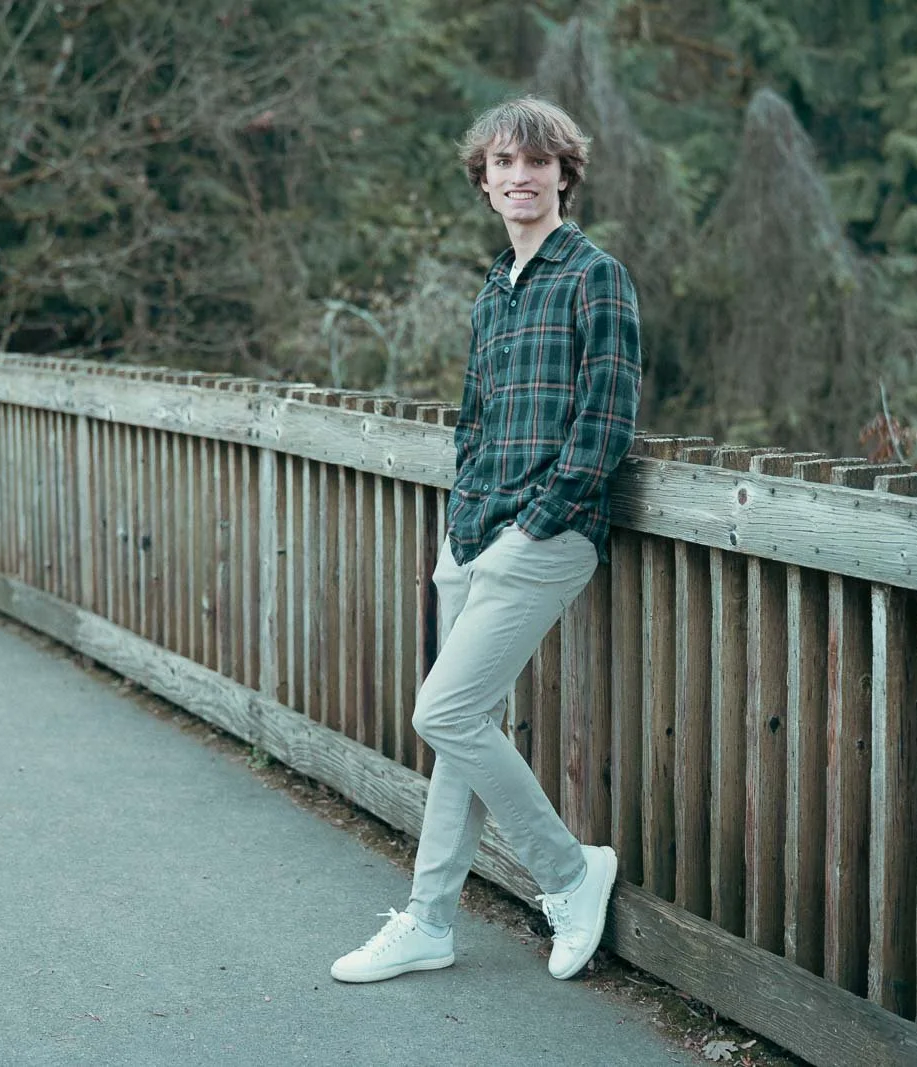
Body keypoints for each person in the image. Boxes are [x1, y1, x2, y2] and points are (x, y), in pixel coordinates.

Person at [331, 96, 642, 983]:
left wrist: (534, 524)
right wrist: (463, 523)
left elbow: (606, 422)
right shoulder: (493, 290)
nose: (519, 176)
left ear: (564, 174)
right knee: (465, 727)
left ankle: (570, 872)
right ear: (485, 179)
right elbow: (475, 419)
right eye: (503, 163)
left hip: (545, 536)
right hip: (470, 533)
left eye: (536, 162)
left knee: (443, 712)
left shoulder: (596, 277)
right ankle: (429, 921)